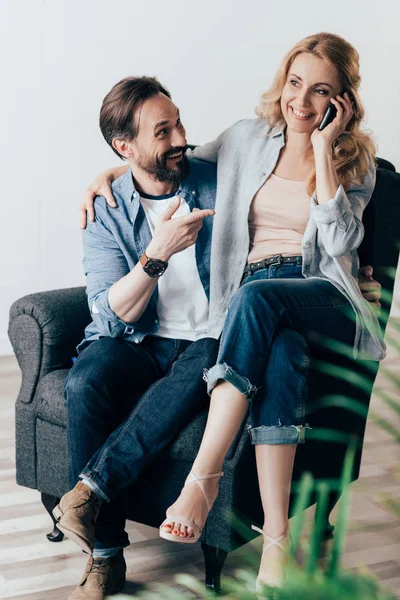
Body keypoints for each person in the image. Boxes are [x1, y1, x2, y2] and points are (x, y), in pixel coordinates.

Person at [80, 33, 385, 591]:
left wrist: (322, 150)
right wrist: (110, 175)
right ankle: (275, 543)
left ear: (341, 101)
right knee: (279, 348)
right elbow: (171, 164)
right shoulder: (247, 138)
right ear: (282, 82)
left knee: (257, 298)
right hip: (259, 300)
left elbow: (340, 244)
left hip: (325, 296)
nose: (302, 101)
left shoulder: (355, 159)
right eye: (296, 84)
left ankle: (203, 478)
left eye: (321, 92)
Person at [53, 76, 220, 600]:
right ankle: (105, 557)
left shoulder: (219, 180)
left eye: (179, 124)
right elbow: (106, 309)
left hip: (208, 342)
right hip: (139, 342)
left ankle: (90, 490)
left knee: (212, 351)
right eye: (162, 131)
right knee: (86, 382)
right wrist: (157, 252)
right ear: (124, 147)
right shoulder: (105, 209)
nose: (179, 139)